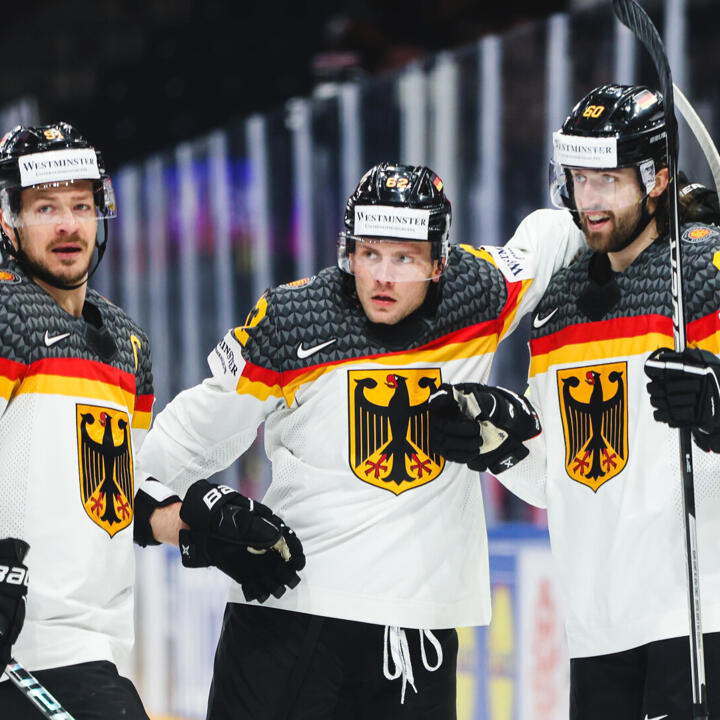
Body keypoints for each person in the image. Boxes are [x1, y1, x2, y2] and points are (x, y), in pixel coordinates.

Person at [136, 161, 585, 719]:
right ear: (347, 249)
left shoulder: (481, 293)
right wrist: (157, 506)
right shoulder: (293, 320)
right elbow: (180, 441)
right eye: (369, 253)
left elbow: (564, 229)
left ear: (439, 261)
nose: (383, 277)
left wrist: (676, 208)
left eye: (404, 257)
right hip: (289, 614)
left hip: (416, 631)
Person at [430, 84, 720, 717]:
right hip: (595, 631)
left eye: (607, 180)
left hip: (699, 621)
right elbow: (568, 479)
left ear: (657, 178)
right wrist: (503, 448)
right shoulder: (560, 307)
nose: (588, 201)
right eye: (578, 180)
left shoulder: (704, 276)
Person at [0, 123, 304, 720]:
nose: (68, 225)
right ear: (7, 220)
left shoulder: (125, 343)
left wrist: (196, 524)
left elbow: (111, 492)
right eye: (45, 207)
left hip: (94, 648)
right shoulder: (6, 314)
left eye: (81, 205)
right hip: (26, 651)